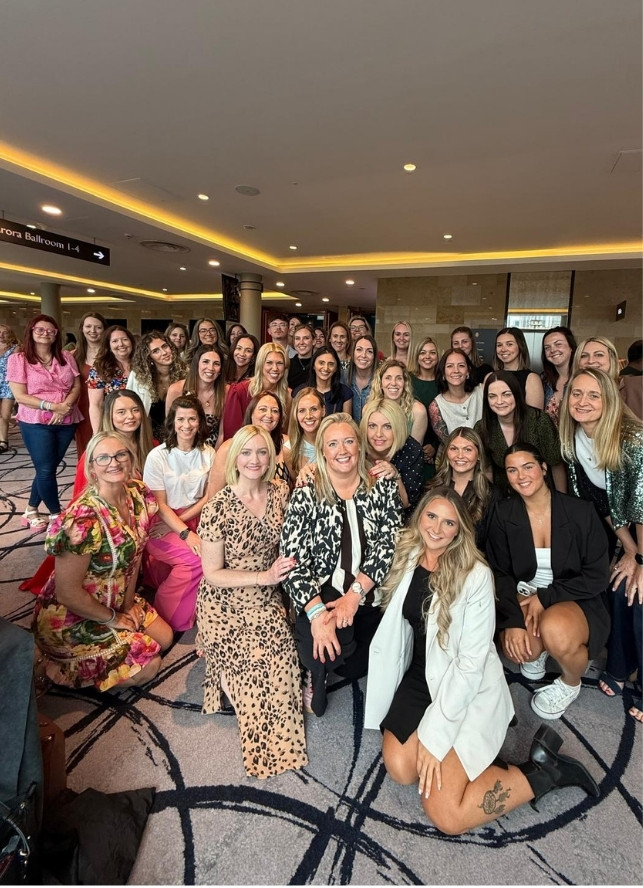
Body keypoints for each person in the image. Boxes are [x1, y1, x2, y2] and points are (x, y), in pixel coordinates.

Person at [364, 487, 599, 835]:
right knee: (401, 769)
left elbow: (470, 666)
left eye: (449, 523)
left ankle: (542, 771)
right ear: (420, 516)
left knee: (447, 816)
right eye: (431, 516)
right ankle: (473, 763)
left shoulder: (475, 575)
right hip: (421, 672)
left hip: (466, 683)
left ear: (459, 530)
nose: (437, 529)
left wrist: (436, 736)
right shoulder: (409, 552)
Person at [197, 425, 307, 778]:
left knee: (283, 666)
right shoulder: (217, 508)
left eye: (262, 452)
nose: (254, 460)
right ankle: (218, 656)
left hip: (267, 597)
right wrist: (263, 577)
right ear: (234, 458)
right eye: (246, 452)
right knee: (252, 677)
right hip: (225, 600)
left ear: (272, 457)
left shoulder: (280, 492)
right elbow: (212, 573)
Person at [281, 414, 402, 716]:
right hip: (323, 591)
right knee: (321, 648)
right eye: (333, 444)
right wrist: (318, 614)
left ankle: (334, 649)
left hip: (369, 590)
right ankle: (315, 672)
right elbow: (292, 559)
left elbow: (388, 545)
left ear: (359, 445)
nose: (342, 450)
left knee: (356, 664)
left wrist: (354, 595)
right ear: (322, 451)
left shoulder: (382, 487)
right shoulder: (307, 492)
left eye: (349, 441)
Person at [32, 431, 173, 691]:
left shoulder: (139, 494)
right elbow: (67, 593)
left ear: (130, 458)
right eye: (104, 458)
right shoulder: (82, 519)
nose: (114, 462)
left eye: (120, 455)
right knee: (149, 665)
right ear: (92, 468)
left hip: (116, 597)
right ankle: (52, 664)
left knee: (165, 638)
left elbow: (136, 556)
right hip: (73, 614)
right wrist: (112, 618)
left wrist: (128, 605)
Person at [486, 444, 610, 719]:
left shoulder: (580, 512)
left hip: (574, 596)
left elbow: (597, 575)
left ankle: (570, 683)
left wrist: (545, 598)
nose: (521, 476)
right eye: (512, 470)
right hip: (525, 593)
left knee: (555, 630)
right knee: (522, 650)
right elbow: (500, 572)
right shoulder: (503, 513)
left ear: (543, 468)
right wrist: (513, 621)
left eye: (528, 467)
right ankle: (540, 648)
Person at [559, 369, 643, 723]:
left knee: (640, 594)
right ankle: (621, 668)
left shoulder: (632, 441)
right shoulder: (575, 439)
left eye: (593, 395)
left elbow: (640, 504)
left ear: (609, 400)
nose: (583, 402)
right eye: (576, 394)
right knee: (619, 585)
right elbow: (600, 501)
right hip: (629, 529)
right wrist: (629, 551)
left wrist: (641, 560)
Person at [143, 396, 215, 630]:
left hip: (195, 517)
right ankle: (166, 617)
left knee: (218, 555)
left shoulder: (208, 453)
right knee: (197, 560)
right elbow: (160, 504)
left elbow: (208, 497)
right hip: (162, 522)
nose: (186, 425)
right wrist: (184, 532)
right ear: (172, 422)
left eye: (192, 419)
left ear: (200, 421)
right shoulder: (158, 456)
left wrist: (184, 522)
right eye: (181, 419)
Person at [8, 314, 83, 531]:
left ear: (57, 334)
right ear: (31, 332)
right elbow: (20, 396)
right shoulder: (19, 359)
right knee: (46, 469)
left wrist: (65, 406)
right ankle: (56, 515)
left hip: (67, 418)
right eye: (40, 329)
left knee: (48, 468)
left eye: (51, 330)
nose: (46, 333)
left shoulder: (65, 356)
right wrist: (52, 407)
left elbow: (76, 385)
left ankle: (31, 509)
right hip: (35, 420)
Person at [475, 371, 566, 493]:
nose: (499, 401)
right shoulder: (482, 427)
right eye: (492, 396)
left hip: (541, 493)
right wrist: (491, 501)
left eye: (506, 394)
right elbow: (487, 470)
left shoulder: (539, 420)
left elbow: (556, 464)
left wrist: (561, 499)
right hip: (506, 496)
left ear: (516, 394)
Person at [208, 390, 291, 496]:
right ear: (251, 413)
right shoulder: (228, 448)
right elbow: (213, 495)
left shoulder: (287, 444)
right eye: (263, 409)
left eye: (275, 411)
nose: (269, 415)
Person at [430, 426, 498, 549]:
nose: (460, 455)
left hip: (474, 558)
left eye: (467, 450)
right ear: (446, 453)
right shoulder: (432, 487)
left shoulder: (491, 494)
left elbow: (493, 544)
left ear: (479, 455)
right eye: (454, 449)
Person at [361, 397, 423, 521]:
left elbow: (406, 504)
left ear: (397, 427)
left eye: (387, 426)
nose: (379, 434)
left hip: (398, 519)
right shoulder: (356, 446)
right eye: (372, 426)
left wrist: (395, 475)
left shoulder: (411, 449)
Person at [221, 342, 291, 441]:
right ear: (260, 364)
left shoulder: (288, 396)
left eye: (280, 363)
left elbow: (286, 433)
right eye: (269, 363)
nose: (275, 368)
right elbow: (232, 434)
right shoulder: (240, 391)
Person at [128, 331, 185, 441]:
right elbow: (130, 406)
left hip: (178, 433)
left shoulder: (185, 372)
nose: (164, 352)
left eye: (165, 346)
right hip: (147, 435)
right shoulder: (137, 377)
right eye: (155, 351)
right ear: (149, 358)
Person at [166, 345, 226, 447]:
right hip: (181, 449)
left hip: (212, 450)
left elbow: (222, 434)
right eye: (205, 362)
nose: (210, 368)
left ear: (220, 370)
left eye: (216, 364)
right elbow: (170, 428)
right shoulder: (176, 390)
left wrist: (214, 456)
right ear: (197, 364)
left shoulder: (225, 392)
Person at [428, 349, 483, 445]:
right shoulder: (436, 407)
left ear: (468, 371)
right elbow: (448, 446)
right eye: (450, 366)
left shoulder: (482, 391)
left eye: (461, 365)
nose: (456, 370)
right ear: (443, 373)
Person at [87, 325, 135, 432]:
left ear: (131, 342)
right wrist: (98, 434)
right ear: (108, 346)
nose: (121, 344)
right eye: (115, 341)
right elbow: (96, 404)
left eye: (125, 339)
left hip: (141, 421)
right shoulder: (99, 368)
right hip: (113, 425)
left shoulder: (142, 365)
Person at [369, 358, 427, 445]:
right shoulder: (369, 409)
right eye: (388, 378)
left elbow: (414, 450)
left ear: (405, 383)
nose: (393, 383)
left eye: (399, 378)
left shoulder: (418, 411)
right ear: (380, 383)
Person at [72, 312, 106, 456]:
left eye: (98, 327)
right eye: (88, 326)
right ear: (82, 328)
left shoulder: (111, 354)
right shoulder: (74, 356)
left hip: (107, 408)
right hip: (83, 410)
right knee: (86, 451)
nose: (93, 331)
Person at [408, 336, 441, 483]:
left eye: (432, 353)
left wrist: (434, 446)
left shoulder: (443, 382)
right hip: (409, 443)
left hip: (435, 447)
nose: (427, 356)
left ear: (438, 356)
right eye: (423, 352)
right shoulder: (408, 380)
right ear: (417, 356)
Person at [493, 327, 544, 410]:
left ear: (520, 346)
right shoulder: (491, 376)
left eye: (509, 344)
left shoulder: (532, 379)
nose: (503, 349)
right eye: (499, 345)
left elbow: (535, 416)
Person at [284, 387, 325, 480]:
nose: (308, 416)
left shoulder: (335, 442)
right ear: (296, 414)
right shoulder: (289, 449)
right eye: (302, 410)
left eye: (313, 409)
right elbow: (297, 484)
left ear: (323, 411)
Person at [540, 326, 577, 427]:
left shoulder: (583, 379)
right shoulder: (544, 380)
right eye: (547, 348)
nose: (552, 350)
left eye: (558, 344)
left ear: (571, 347)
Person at [301, 345, 352, 415]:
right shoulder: (300, 391)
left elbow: (347, 421)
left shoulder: (345, 393)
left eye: (331, 364)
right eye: (321, 363)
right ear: (313, 365)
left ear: (336, 368)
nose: (325, 368)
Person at [346, 334, 378, 423]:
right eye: (359, 350)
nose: (363, 355)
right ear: (353, 353)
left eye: (369, 351)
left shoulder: (381, 380)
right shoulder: (344, 377)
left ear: (374, 356)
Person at [0, 323, 18, 453]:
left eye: (4, 332)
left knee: (5, 415)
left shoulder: (15, 348)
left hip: (8, 384)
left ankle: (3, 442)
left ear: (10, 334)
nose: (1, 335)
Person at [287, 324, 315, 390]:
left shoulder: (319, 364)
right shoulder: (287, 364)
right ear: (294, 342)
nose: (301, 342)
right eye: (297, 338)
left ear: (314, 341)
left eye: (306, 338)